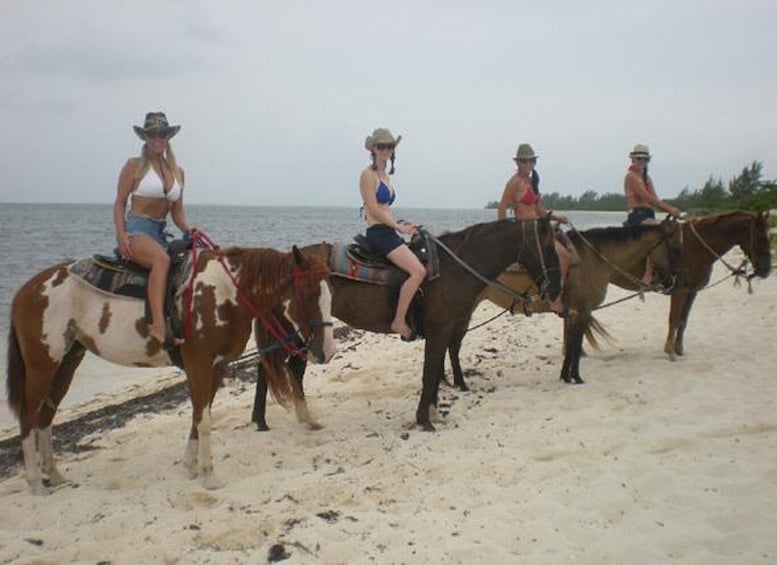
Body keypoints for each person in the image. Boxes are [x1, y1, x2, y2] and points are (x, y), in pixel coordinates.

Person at [114, 112, 193, 345]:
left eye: (162, 134)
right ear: (145, 137)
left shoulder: (178, 172)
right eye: (152, 135)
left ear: (168, 137)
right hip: (137, 230)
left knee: (196, 262)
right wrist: (121, 234)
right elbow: (119, 203)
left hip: (161, 232)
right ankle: (158, 326)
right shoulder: (134, 166)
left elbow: (177, 213)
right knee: (161, 261)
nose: (157, 139)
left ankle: (185, 320)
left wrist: (190, 229)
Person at [359, 127, 426, 341]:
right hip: (378, 233)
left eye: (389, 146)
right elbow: (374, 209)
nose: (385, 150)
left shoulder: (385, 175)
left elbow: (385, 209)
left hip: (388, 229)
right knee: (418, 271)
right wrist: (398, 227)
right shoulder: (367, 175)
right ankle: (398, 320)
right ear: (374, 149)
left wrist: (401, 222)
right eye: (381, 146)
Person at [497, 143, 568, 313]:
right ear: (518, 163)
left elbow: (539, 210)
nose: (528, 165)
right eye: (524, 162)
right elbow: (502, 207)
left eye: (531, 162)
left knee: (568, 246)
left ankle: (560, 291)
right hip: (525, 230)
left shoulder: (530, 181)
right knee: (562, 255)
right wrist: (504, 231)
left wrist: (557, 217)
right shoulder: (513, 183)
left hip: (538, 227)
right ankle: (555, 299)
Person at [623, 143, 682, 284]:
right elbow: (646, 197)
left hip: (648, 214)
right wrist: (669, 209)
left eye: (644, 159)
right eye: (639, 159)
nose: (642, 162)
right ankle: (648, 273)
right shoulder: (631, 176)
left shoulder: (647, 178)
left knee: (673, 230)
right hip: (637, 215)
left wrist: (671, 209)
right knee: (656, 231)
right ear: (633, 160)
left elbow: (655, 198)